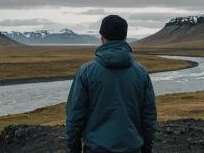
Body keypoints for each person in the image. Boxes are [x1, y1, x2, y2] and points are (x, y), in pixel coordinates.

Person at [66, 15, 157, 153]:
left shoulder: (86, 72)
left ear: (102, 37)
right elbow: (149, 116)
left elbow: (75, 115)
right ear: (125, 38)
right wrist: (147, 147)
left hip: (95, 149)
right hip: (132, 148)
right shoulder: (141, 73)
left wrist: (74, 148)